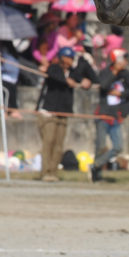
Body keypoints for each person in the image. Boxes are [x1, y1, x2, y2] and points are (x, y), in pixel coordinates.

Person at [38, 47, 90, 181]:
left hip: (63, 112)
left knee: (59, 144)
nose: (71, 60)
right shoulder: (54, 68)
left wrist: (85, 81)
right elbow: (56, 76)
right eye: (69, 57)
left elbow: (87, 78)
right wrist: (67, 81)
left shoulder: (73, 72)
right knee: (48, 141)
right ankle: (45, 172)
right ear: (62, 58)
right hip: (48, 112)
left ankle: (53, 172)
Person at [89, 48, 129, 182]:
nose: (125, 62)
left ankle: (96, 165)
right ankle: (96, 176)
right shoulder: (105, 72)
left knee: (118, 147)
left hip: (117, 116)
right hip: (103, 115)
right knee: (100, 147)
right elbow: (103, 86)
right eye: (123, 59)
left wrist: (120, 94)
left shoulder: (126, 74)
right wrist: (114, 72)